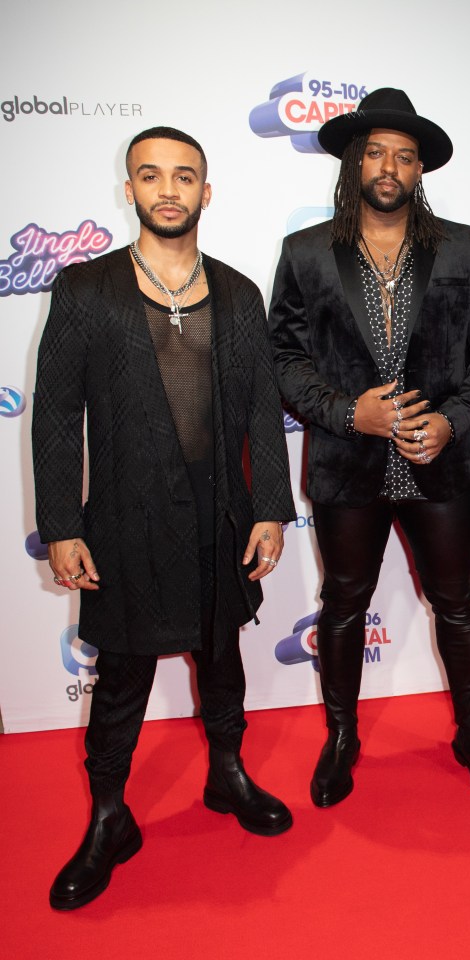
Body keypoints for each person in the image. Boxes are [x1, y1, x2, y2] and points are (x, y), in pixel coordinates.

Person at [33, 127, 297, 911]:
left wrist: (272, 510)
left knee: (221, 655)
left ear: (206, 193)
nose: (169, 190)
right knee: (121, 678)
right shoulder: (87, 291)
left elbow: (260, 415)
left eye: (185, 177)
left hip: (222, 513)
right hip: (121, 521)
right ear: (131, 190)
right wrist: (62, 524)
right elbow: (54, 416)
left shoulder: (241, 294)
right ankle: (110, 819)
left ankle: (227, 775)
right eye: (152, 176)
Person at [268, 88, 470, 805]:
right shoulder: (306, 253)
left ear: (419, 171)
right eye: (375, 152)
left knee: (456, 604)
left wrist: (453, 420)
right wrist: (348, 414)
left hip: (438, 465)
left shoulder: (464, 247)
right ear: (354, 163)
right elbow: (284, 357)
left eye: (403, 157)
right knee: (344, 603)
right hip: (349, 468)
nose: (389, 166)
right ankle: (341, 736)